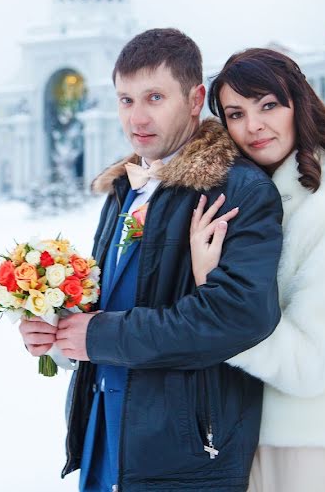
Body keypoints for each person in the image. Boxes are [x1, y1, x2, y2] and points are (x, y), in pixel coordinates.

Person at [19, 28, 283, 491]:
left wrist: (100, 335)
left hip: (185, 456)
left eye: (155, 97)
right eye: (125, 100)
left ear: (195, 98)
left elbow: (238, 317)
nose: (137, 117)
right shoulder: (124, 187)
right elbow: (113, 300)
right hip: (107, 444)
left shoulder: (238, 189)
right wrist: (57, 330)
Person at [194, 47, 325, 492]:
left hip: (316, 456)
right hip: (259, 446)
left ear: (298, 105)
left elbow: (308, 366)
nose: (253, 126)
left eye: (268, 105)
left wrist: (216, 299)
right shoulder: (267, 200)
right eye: (236, 113)